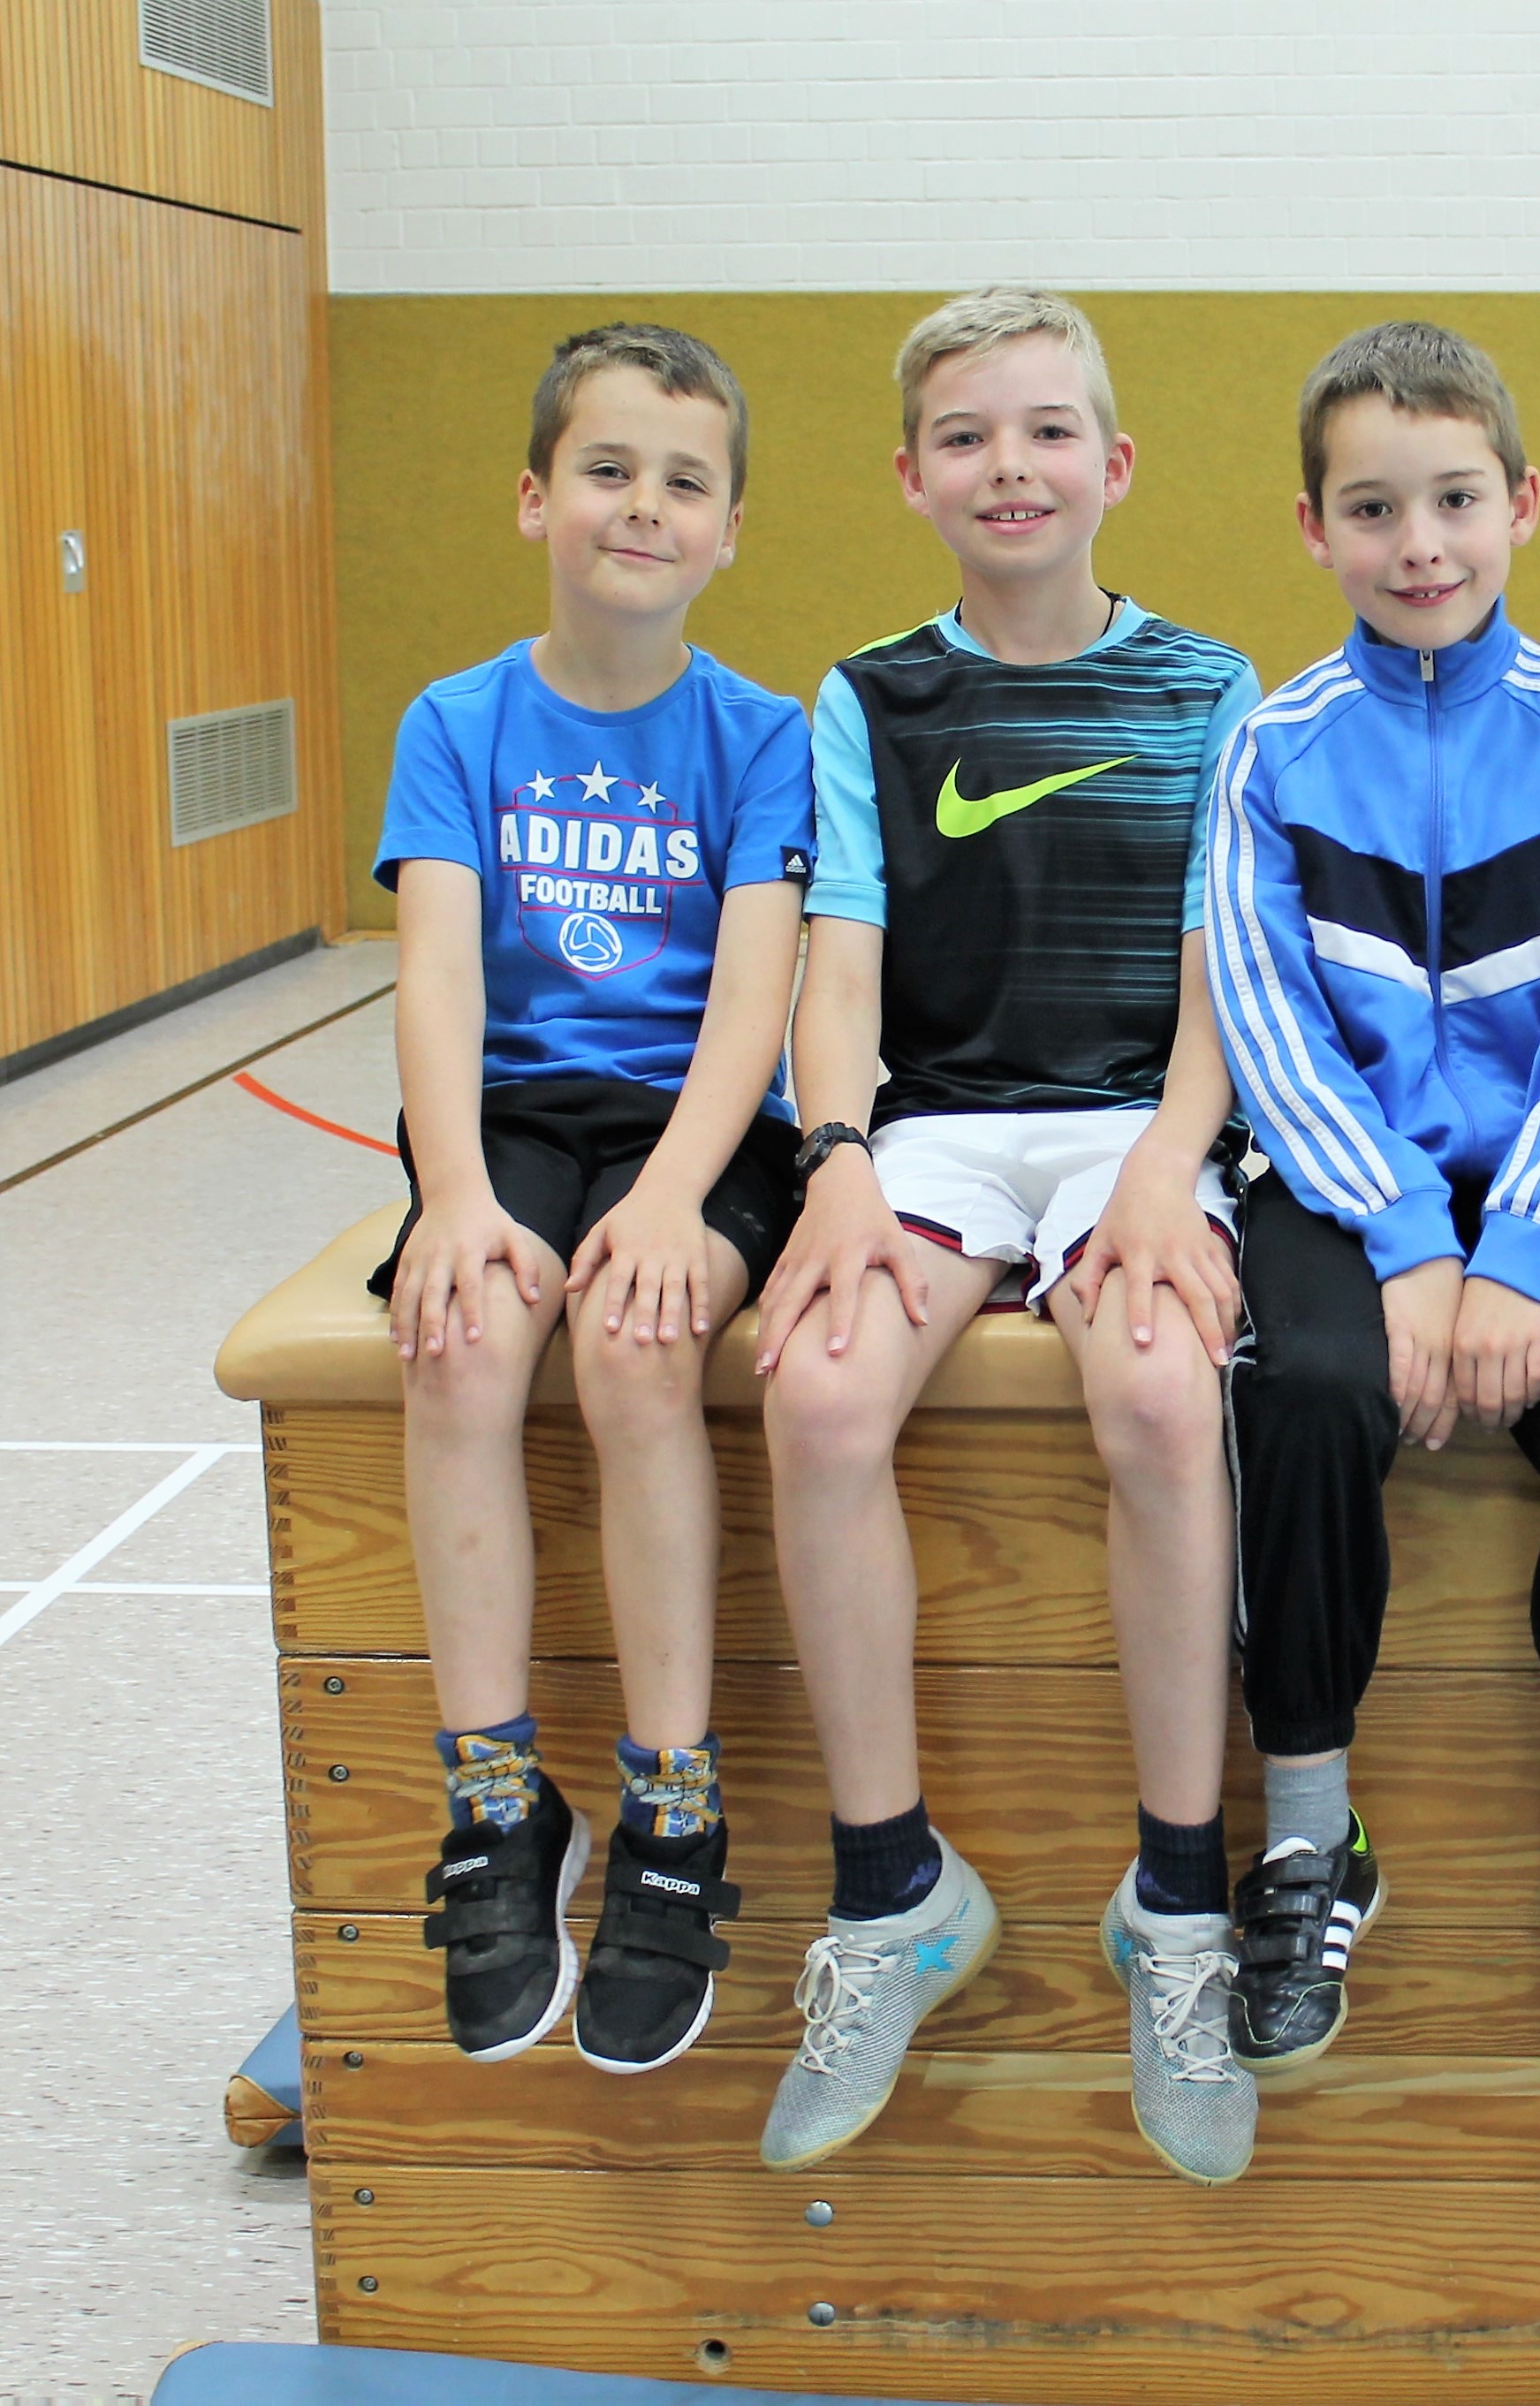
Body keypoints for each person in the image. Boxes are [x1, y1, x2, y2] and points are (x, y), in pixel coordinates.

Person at [753, 287, 1263, 2187]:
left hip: (1140, 1122)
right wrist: (833, 1159)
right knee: (817, 1397)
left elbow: (1223, 966)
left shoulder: (1209, 689)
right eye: (965, 437)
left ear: (1113, 464)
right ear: (911, 477)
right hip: (943, 1128)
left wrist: (1171, 1164)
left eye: (1047, 431)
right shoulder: (872, 698)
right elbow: (842, 961)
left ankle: (1178, 1907)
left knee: (1161, 1394)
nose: (1010, 467)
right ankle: (892, 1890)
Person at [1205, 321, 1540, 2085]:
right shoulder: (1271, 747)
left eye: (1453, 501)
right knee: (1304, 1392)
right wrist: (1408, 1238)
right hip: (1344, 1183)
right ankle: (1307, 1834)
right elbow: (1266, 1017)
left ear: (1521, 505)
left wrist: (1520, 1248)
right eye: (1372, 508)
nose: (1417, 544)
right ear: (1313, 528)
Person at [373, 323, 813, 2076]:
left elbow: (757, 996)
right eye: (609, 470)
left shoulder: (760, 735)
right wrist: (452, 1197)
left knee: (638, 1346)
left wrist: (679, 1197)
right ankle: (496, 1795)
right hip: (512, 1114)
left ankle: (672, 1803)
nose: (643, 506)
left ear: (730, 532)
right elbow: (434, 976)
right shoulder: (456, 722)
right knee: (463, 1340)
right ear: (533, 497)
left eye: (684, 482)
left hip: (698, 1120)